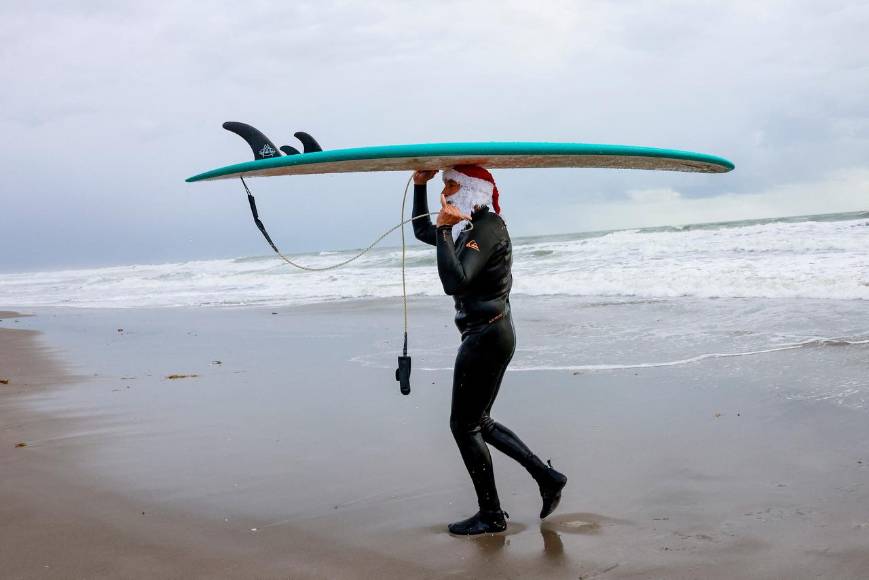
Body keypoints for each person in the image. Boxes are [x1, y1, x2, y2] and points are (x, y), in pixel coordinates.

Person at [412, 165, 568, 535]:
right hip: (487, 333)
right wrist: (420, 186)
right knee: (478, 421)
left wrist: (446, 228)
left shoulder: (487, 228)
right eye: (444, 184)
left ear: (471, 189)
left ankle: (492, 515)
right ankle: (547, 478)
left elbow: (455, 281)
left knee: (463, 425)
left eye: (451, 184)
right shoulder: (472, 226)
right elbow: (423, 230)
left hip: (488, 336)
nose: (445, 191)